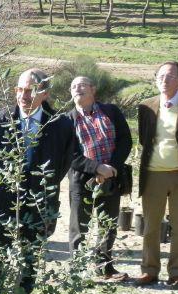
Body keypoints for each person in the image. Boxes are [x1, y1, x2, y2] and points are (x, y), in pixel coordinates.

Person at [0, 68, 74, 294]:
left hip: (40, 205)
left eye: (30, 90)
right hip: (1, 204)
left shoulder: (61, 124)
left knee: (30, 261)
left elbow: (62, 165)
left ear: (44, 93)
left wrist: (37, 188)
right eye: (20, 89)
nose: (24, 95)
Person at [66, 76, 132, 281]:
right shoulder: (67, 120)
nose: (78, 89)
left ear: (93, 89)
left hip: (111, 176)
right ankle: (77, 271)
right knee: (79, 226)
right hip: (81, 179)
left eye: (82, 85)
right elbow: (69, 154)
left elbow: (125, 140)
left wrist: (111, 168)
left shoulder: (111, 111)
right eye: (74, 86)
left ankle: (105, 267)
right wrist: (96, 168)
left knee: (108, 224)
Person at [136, 61, 178, 286]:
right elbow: (144, 139)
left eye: (171, 76)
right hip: (153, 174)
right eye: (161, 76)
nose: (165, 80)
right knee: (150, 226)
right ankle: (149, 270)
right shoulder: (146, 106)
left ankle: (177, 271)